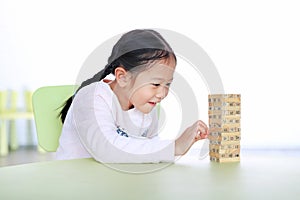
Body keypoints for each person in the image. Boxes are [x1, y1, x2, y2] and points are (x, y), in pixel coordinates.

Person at [56, 29, 208, 163]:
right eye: (156, 84)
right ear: (122, 77)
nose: (162, 94)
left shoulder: (146, 105)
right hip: (77, 183)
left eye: (167, 84)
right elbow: (107, 150)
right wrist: (174, 147)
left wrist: (176, 147)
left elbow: (149, 146)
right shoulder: (91, 97)